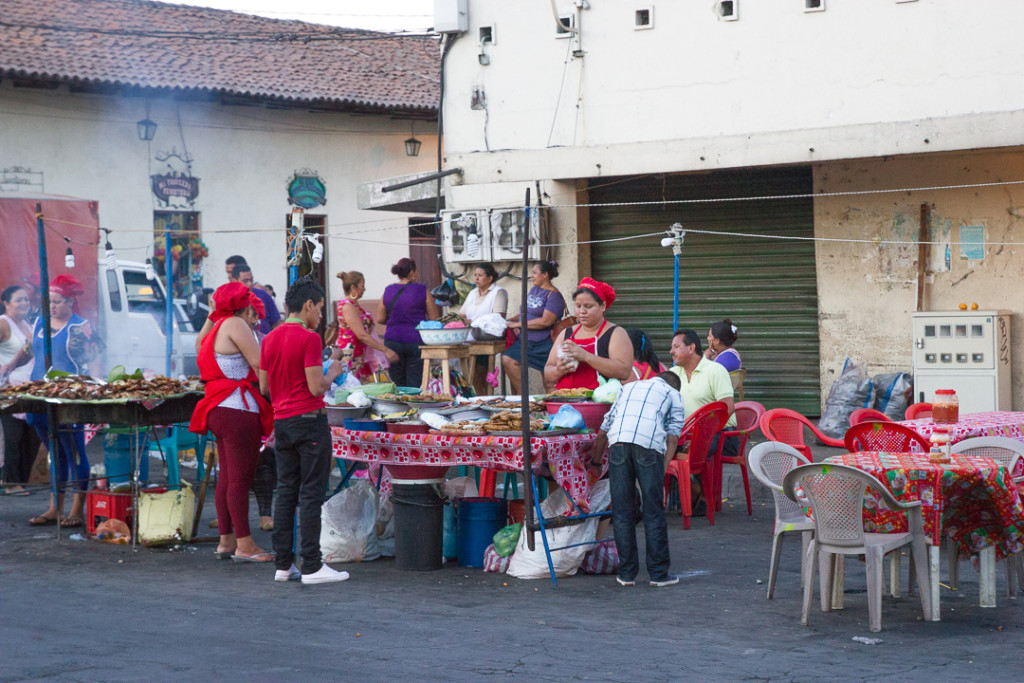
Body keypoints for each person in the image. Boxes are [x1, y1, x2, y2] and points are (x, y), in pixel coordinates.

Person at [259, 277, 350, 585]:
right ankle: (312, 565)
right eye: (321, 309)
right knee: (311, 494)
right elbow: (316, 387)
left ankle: (284, 565)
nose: (321, 316)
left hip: (281, 422)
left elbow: (264, 387)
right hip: (310, 421)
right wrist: (333, 370)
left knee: (285, 492)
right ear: (308, 305)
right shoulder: (309, 338)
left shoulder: (269, 338)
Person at [189, 283, 275, 561]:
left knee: (227, 477)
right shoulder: (236, 324)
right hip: (236, 408)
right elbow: (260, 365)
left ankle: (226, 540)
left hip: (218, 407)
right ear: (244, 304)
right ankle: (245, 544)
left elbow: (198, 347)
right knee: (240, 478)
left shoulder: (216, 326)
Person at [593, 370, 686, 587]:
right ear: (674, 386)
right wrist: (660, 472)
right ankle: (659, 575)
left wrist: (597, 462)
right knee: (653, 511)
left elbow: (603, 430)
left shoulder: (628, 387)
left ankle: (626, 574)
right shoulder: (674, 394)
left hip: (618, 444)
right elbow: (673, 437)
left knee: (622, 511)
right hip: (648, 446)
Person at [27, 275, 102, 527]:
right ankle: (54, 508)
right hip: (38, 398)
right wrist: (8, 366)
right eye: (50, 301)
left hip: (68, 399)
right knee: (54, 453)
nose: (52, 306)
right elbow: (29, 350)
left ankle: (77, 509)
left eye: (58, 301)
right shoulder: (39, 322)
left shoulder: (81, 327)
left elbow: (94, 361)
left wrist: (95, 388)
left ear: (70, 302)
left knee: (75, 453)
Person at [668, 329, 737, 513]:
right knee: (655, 450)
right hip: (682, 433)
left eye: (676, 347)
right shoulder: (673, 373)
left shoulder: (715, 370)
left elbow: (727, 407)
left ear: (691, 348)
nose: (671, 351)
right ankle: (695, 490)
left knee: (694, 449)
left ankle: (705, 496)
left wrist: (706, 431)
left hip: (719, 432)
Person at [543, 277, 632, 392]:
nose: (582, 311)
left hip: (599, 403)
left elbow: (624, 372)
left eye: (588, 306)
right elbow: (548, 372)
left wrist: (586, 356)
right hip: (566, 399)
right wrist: (559, 370)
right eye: (578, 306)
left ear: (603, 306)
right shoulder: (567, 333)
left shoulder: (615, 333)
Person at [502, 261, 565, 394]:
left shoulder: (554, 296)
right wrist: (513, 320)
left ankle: (551, 409)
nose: (531, 276)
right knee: (508, 359)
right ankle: (524, 399)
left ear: (545, 275)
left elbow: (545, 321)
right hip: (526, 342)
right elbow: (527, 313)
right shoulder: (534, 290)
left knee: (549, 381)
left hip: (545, 344)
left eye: (535, 273)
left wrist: (519, 324)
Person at [0, 285, 39, 495]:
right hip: (8, 391)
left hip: (29, 390)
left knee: (31, 436)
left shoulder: (27, 324)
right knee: (12, 438)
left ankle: (22, 480)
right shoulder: (3, 323)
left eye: (26, 299)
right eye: (18, 300)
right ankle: (10, 482)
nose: (24, 303)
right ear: (6, 302)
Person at [377, 258, 438, 388]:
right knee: (415, 384)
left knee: (398, 384)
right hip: (416, 341)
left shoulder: (388, 290)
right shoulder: (422, 290)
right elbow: (434, 318)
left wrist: (396, 319)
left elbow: (380, 318)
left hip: (392, 341)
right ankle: (413, 407)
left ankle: (399, 407)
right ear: (411, 272)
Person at [335, 270, 398, 382]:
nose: (364, 289)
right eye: (362, 286)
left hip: (358, 354)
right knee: (352, 387)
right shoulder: (348, 306)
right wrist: (385, 349)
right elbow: (361, 335)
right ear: (353, 288)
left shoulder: (353, 304)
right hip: (350, 355)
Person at [459, 263, 508, 338]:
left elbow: (498, 319)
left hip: (486, 337)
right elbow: (462, 314)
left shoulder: (498, 292)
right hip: (468, 335)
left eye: (480, 275)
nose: (476, 278)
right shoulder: (473, 293)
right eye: (475, 275)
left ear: (489, 278)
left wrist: (472, 322)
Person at [232, 264, 280, 335]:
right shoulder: (230, 301)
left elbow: (276, 323)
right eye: (245, 281)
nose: (250, 283)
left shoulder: (263, 295)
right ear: (234, 281)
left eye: (251, 280)